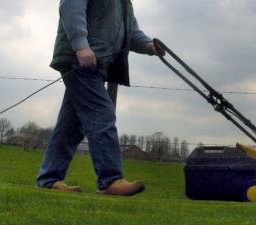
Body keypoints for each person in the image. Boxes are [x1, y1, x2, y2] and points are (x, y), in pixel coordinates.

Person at [36, 0, 164, 196]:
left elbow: (130, 33)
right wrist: (80, 46)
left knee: (70, 127)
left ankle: (49, 180)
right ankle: (110, 180)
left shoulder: (124, 4)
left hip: (97, 64)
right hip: (80, 60)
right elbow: (70, 6)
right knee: (101, 113)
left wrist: (148, 46)